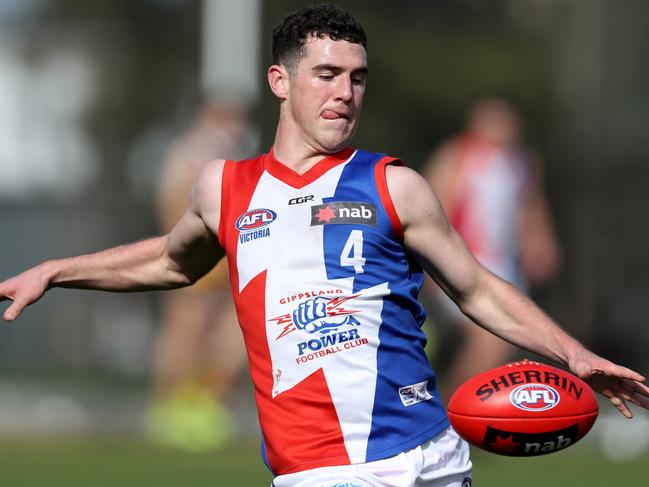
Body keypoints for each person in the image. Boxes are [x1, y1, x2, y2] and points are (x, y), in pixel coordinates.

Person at [1, 5, 648, 487]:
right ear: (280, 81)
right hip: (322, 469)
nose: (345, 92)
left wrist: (571, 351)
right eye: (327, 74)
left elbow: (476, 287)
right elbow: (171, 260)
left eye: (358, 78)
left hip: (434, 458)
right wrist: (57, 271)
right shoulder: (224, 187)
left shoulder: (395, 184)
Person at [423, 96, 562, 401]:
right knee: (490, 342)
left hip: (506, 265)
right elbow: (432, 209)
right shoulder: (457, 156)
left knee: (496, 348)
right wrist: (431, 264)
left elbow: (532, 210)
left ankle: (458, 415)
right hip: (465, 261)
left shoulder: (522, 162)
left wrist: (540, 242)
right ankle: (451, 413)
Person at [146, 100, 252, 451]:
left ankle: (203, 400)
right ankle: (173, 407)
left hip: (221, 256)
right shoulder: (195, 152)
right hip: (200, 256)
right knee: (186, 326)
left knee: (228, 327)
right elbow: (175, 202)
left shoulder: (226, 151)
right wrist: (187, 253)